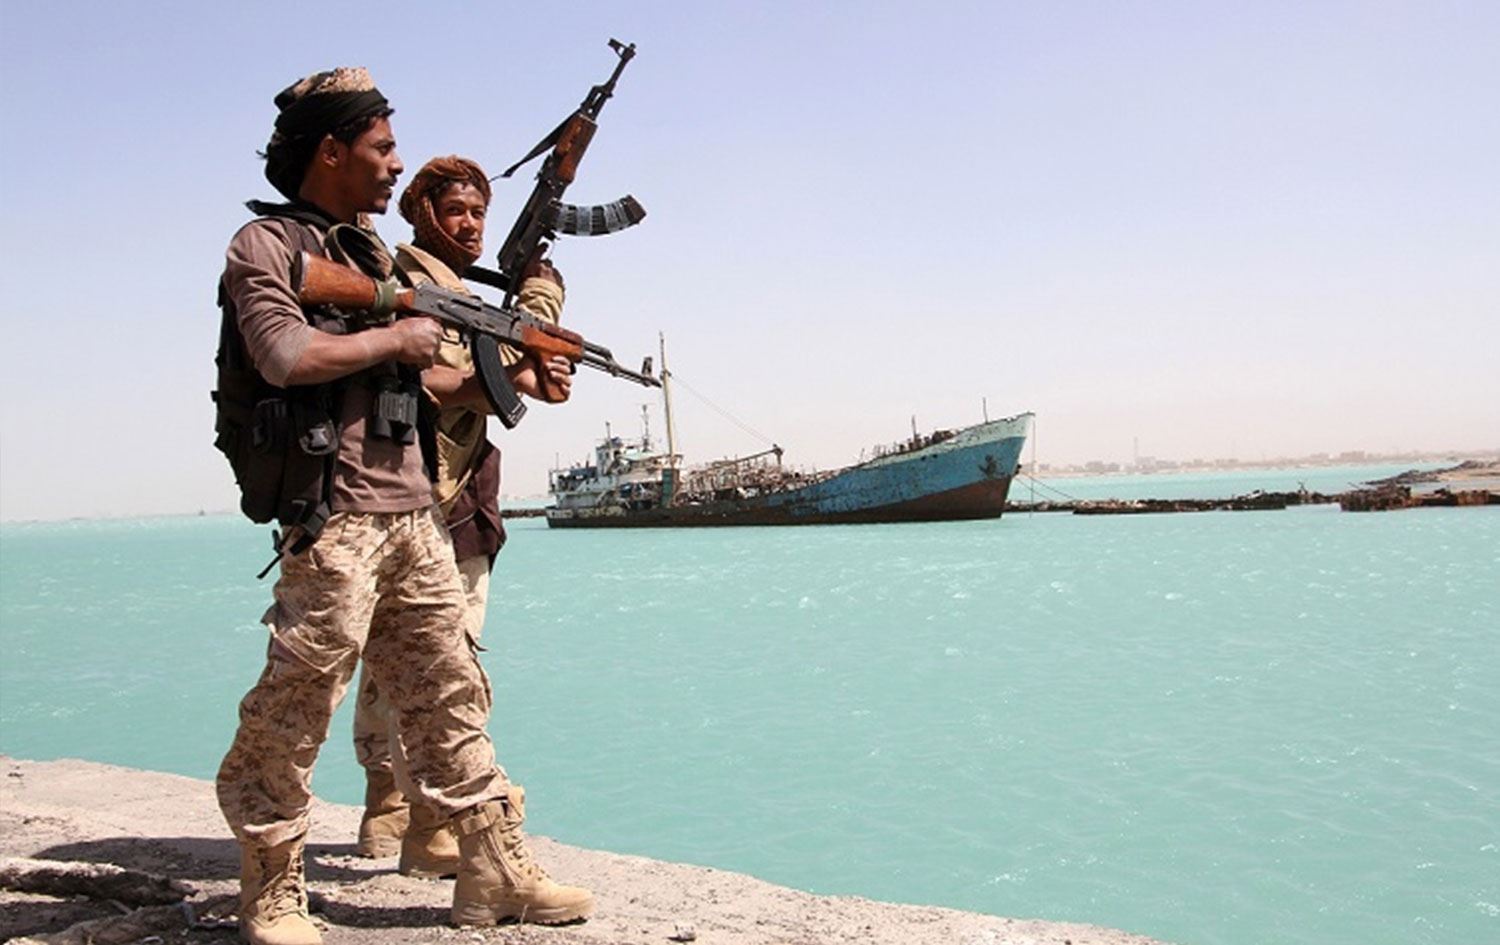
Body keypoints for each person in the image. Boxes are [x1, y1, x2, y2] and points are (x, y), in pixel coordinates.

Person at [213, 67, 592, 945]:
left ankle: (492, 868)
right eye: (382, 148)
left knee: (450, 693)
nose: (395, 164)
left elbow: (424, 380)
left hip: (413, 507)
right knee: (299, 699)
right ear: (331, 151)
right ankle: (271, 883)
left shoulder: (376, 257)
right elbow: (282, 354)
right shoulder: (264, 244)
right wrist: (396, 327)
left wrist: (517, 376)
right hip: (334, 514)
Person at [351, 154, 572, 877]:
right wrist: (532, 330)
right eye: (456, 210)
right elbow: (438, 380)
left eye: (479, 211)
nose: (472, 224)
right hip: (437, 496)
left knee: (391, 659)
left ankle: (387, 801)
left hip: (436, 488)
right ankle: (431, 820)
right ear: (422, 213)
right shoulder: (411, 288)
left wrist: (538, 329)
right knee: (449, 661)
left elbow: (503, 365)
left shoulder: (444, 289)